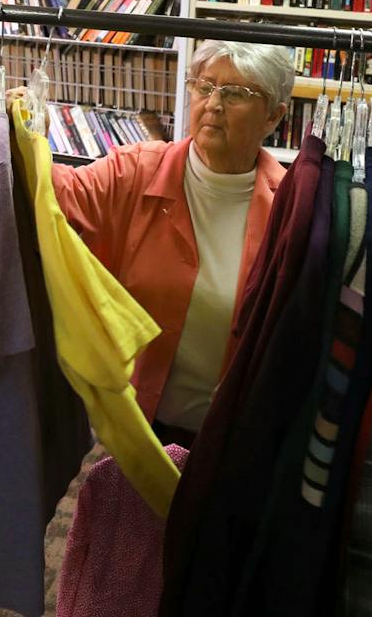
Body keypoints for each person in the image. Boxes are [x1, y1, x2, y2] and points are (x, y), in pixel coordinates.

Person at [45, 40, 293, 445]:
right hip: (133, 434)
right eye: (204, 86)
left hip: (229, 442)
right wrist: (15, 131)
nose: (213, 103)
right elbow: (55, 193)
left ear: (273, 116)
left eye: (235, 93)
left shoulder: (291, 209)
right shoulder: (136, 170)